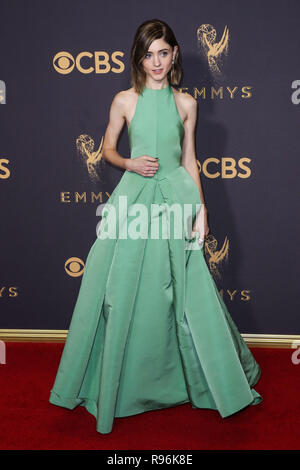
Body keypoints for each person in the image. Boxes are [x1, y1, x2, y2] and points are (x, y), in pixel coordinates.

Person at [49, 19, 262, 435]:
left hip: (176, 196)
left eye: (163, 52)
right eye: (148, 54)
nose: (156, 61)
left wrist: (201, 210)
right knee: (122, 290)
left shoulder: (187, 104)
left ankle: (198, 379)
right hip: (133, 198)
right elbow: (107, 148)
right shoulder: (124, 100)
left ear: (175, 54)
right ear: (139, 58)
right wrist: (128, 162)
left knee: (185, 291)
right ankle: (123, 383)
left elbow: (189, 159)